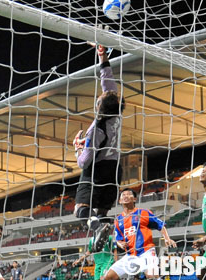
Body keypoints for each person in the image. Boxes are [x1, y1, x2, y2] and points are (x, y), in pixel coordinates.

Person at [73, 44, 124, 252]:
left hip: (97, 171)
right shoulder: (117, 115)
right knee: (102, 211)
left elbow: (85, 161)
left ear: (100, 107)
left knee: (80, 210)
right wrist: (102, 57)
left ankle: (98, 226)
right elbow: (109, 86)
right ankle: (114, 242)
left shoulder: (98, 127)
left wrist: (77, 148)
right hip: (115, 168)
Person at [104, 188, 177, 280]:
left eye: (129, 194)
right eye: (123, 195)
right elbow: (118, 239)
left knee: (152, 276)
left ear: (134, 199)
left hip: (146, 252)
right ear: (119, 200)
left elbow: (160, 225)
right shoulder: (118, 220)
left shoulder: (143, 213)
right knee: (107, 277)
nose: (126, 196)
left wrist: (167, 238)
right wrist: (120, 244)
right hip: (130, 255)